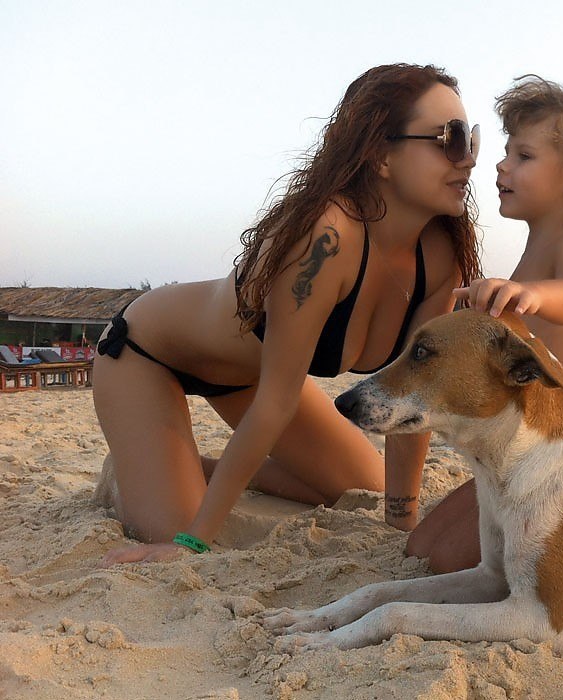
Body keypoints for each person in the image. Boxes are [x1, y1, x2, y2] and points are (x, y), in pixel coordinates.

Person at [93, 63, 482, 564]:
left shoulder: (440, 256)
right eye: (451, 139)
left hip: (249, 379)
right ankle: (129, 471)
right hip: (147, 353)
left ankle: (190, 467)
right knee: (178, 533)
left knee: (366, 486)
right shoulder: (327, 237)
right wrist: (192, 540)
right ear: (381, 155)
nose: (468, 160)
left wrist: (401, 528)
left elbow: (412, 395)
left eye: (471, 140)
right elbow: (276, 403)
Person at [406, 75, 563, 573]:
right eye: (506, 152)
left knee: (448, 559)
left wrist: (533, 295)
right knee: (421, 545)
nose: (502, 165)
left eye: (524, 156)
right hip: (536, 451)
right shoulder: (536, 247)